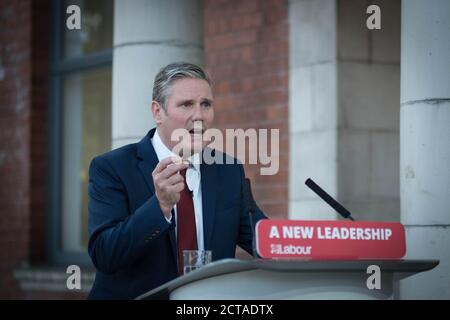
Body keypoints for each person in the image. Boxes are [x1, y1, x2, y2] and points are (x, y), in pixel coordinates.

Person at [87, 62, 267, 299]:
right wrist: (159, 207)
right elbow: (105, 255)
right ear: (157, 112)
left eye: (206, 104)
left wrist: (314, 242)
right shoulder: (111, 168)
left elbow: (263, 240)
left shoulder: (228, 170)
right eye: (186, 105)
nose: (199, 116)